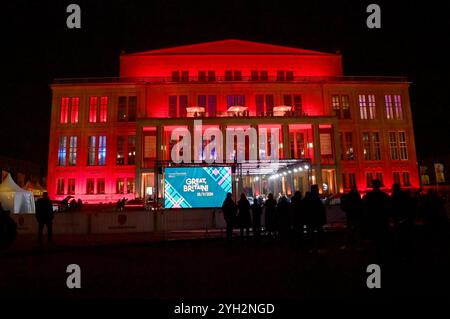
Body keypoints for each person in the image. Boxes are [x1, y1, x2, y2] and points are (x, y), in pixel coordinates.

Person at [362, 180, 391, 260]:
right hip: (382, 220)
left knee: (374, 240)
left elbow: (365, 208)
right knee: (382, 240)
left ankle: (375, 258)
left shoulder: (369, 195)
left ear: (372, 186)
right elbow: (389, 207)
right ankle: (383, 257)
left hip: (373, 221)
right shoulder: (384, 195)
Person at [304, 185, 326, 252]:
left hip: (312, 218)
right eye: (317, 189)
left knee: (312, 233)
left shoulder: (311, 197)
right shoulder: (315, 198)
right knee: (318, 233)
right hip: (316, 218)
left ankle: (313, 247)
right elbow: (319, 208)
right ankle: (318, 247)